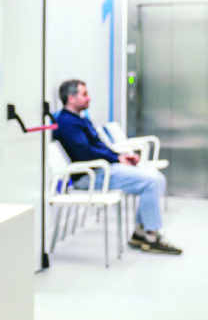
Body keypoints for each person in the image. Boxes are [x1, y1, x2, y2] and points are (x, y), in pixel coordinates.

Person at [53, 79, 181, 255]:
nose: (89, 98)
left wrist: (119, 157)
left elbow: (99, 148)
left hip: (102, 169)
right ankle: (150, 237)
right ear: (71, 98)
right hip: (89, 176)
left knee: (155, 176)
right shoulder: (67, 123)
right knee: (151, 181)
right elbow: (86, 153)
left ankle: (141, 233)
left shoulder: (79, 120)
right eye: (84, 94)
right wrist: (116, 159)